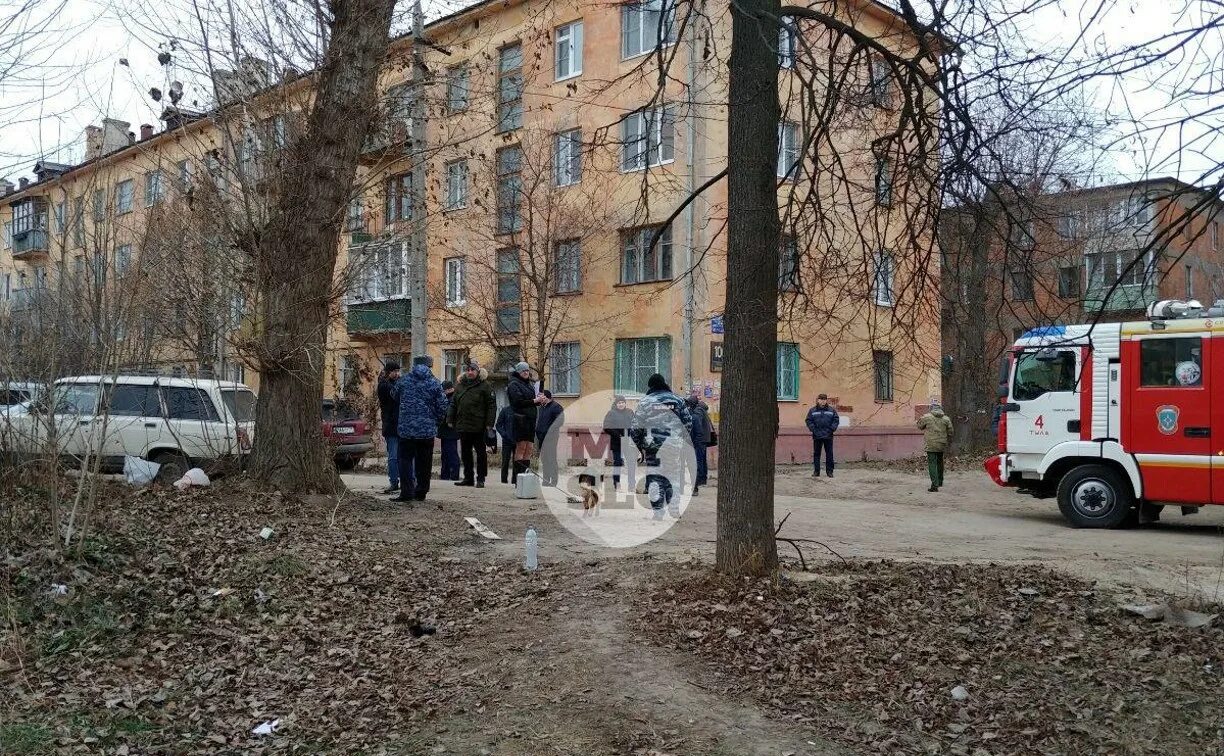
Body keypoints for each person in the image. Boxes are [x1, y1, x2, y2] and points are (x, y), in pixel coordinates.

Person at [629, 373, 692, 520]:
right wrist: (679, 439)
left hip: (653, 446)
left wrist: (640, 447)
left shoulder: (645, 402)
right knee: (673, 476)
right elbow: (688, 422)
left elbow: (636, 428)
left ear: (650, 386)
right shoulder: (677, 400)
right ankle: (674, 509)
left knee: (655, 477)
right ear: (664, 384)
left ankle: (658, 512)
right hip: (673, 445)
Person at [392, 355, 449, 503]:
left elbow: (393, 395)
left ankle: (406, 492)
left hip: (406, 429)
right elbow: (443, 406)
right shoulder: (435, 383)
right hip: (426, 430)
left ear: (413, 365)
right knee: (424, 462)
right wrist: (435, 421)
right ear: (430, 366)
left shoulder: (404, 380)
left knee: (404, 460)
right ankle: (421, 491)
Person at [448, 361, 496, 488]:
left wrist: (489, 424)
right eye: (468, 370)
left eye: (472, 370)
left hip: (479, 426)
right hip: (463, 425)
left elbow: (491, 406)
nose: (470, 372)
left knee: (481, 453)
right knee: (465, 453)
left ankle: (480, 478)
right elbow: (453, 404)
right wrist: (450, 419)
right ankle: (468, 478)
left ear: (477, 371)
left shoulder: (485, 386)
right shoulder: (460, 385)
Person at [377, 361, 407, 494]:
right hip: (391, 425)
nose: (397, 374)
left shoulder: (397, 383)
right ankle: (394, 482)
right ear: (388, 372)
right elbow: (394, 396)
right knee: (393, 456)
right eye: (394, 371)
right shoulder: (384, 386)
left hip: (402, 425)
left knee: (404, 456)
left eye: (398, 371)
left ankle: (406, 481)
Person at [507, 362, 539, 480]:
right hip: (520, 419)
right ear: (518, 372)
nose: (526, 372)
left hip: (530, 420)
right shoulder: (513, 384)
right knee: (521, 447)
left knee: (529, 448)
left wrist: (540, 399)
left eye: (527, 370)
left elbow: (533, 400)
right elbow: (518, 402)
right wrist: (534, 401)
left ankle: (525, 476)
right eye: (523, 371)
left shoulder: (529, 384)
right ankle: (517, 478)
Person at [917, 400, 954, 492]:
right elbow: (951, 432)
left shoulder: (927, 417)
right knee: (940, 462)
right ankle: (940, 481)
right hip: (941, 443)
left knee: (932, 463)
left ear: (931, 408)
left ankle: (934, 485)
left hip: (931, 444)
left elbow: (920, 426)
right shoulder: (946, 418)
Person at [602, 395, 634, 491]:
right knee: (618, 463)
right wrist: (618, 435)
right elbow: (606, 427)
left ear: (625, 403)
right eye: (619, 403)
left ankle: (631, 485)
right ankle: (617, 484)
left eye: (622, 402)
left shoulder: (630, 412)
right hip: (617, 442)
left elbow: (635, 424)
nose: (621, 404)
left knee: (631, 463)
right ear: (616, 404)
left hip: (628, 442)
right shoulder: (611, 413)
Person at [685, 389, 713, 495]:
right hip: (701, 441)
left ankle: (696, 484)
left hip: (698, 442)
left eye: (688, 404)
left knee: (697, 463)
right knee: (700, 462)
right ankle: (701, 480)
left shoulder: (696, 414)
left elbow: (697, 431)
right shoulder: (701, 411)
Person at [805, 393, 840, 478]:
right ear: (818, 400)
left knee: (829, 454)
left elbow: (836, 420)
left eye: (824, 399)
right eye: (821, 399)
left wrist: (831, 429)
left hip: (828, 436)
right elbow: (808, 421)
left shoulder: (831, 410)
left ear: (826, 400)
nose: (823, 401)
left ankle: (830, 472)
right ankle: (816, 472)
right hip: (817, 436)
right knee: (817, 454)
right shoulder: (812, 410)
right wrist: (814, 430)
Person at [535, 390, 564, 486]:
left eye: (541, 397)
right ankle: (546, 480)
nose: (539, 399)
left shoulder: (556, 407)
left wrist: (549, 432)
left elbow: (560, 421)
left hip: (551, 438)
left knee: (551, 459)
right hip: (541, 438)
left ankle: (554, 481)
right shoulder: (541, 408)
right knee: (544, 460)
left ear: (546, 397)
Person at [437, 380, 461, 481]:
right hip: (447, 431)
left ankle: (453, 475)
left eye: (443, 390)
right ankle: (445, 475)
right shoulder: (452, 398)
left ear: (448, 389)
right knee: (446, 454)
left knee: (451, 454)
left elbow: (447, 414)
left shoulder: (452, 399)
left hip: (450, 431)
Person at [495, 402, 516, 484]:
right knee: (505, 461)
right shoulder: (505, 410)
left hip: (518, 440)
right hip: (507, 440)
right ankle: (504, 480)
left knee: (517, 462)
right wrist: (504, 434)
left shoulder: (521, 410)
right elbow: (498, 425)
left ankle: (515, 480)